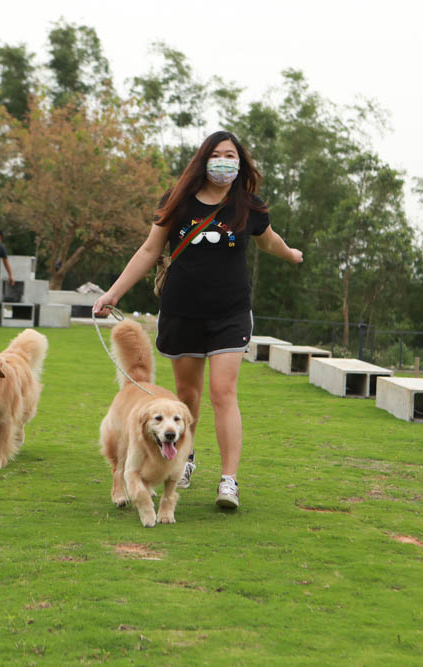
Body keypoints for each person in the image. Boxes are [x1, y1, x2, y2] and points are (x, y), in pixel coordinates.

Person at [92, 130, 303, 510]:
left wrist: (290, 254)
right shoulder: (177, 202)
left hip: (230, 313)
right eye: (219, 154)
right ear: (204, 160)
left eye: (233, 156)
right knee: (186, 398)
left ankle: (228, 481)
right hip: (182, 313)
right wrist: (113, 293)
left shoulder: (248, 206)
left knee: (224, 392)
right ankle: (185, 459)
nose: (226, 162)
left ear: (241, 164)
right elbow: (149, 250)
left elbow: (269, 241)